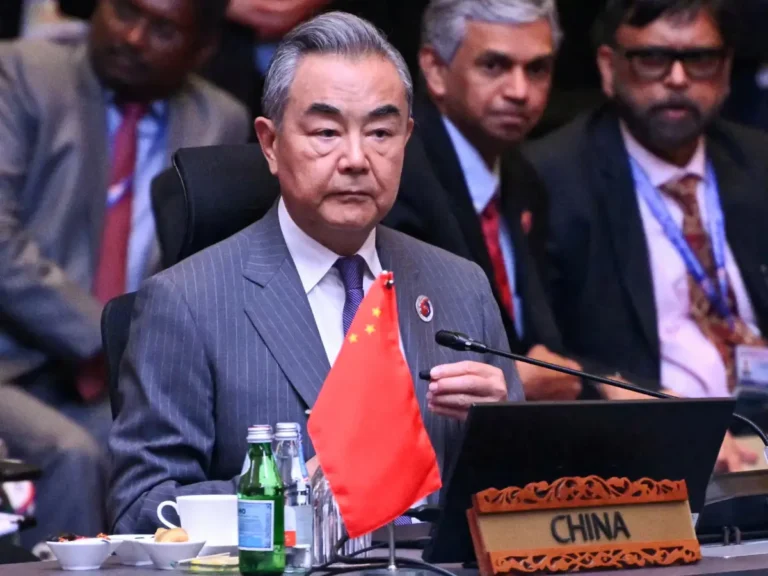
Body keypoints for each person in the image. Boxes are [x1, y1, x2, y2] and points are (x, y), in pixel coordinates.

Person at [108, 11, 521, 533]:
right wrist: (286, 495)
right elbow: (139, 508)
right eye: (327, 131)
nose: (356, 158)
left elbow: (521, 501)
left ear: (406, 139)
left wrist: (503, 432)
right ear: (271, 144)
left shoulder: (461, 286)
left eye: (380, 132)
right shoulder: (186, 301)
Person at [0, 0, 249, 546]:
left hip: (130, 380)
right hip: (14, 364)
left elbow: (210, 272)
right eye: (124, 11)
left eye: (162, 29)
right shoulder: (24, 74)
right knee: (73, 455)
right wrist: (112, 339)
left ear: (203, 49)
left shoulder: (219, 120)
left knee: (188, 458)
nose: (133, 37)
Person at [526, 0, 768, 469]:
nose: (677, 79)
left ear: (725, 69)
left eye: (699, 59)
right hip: (647, 454)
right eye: (653, 58)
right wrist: (669, 422)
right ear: (608, 66)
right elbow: (543, 357)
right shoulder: (552, 181)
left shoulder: (757, 163)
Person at [384, 0, 586, 401]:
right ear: (435, 69)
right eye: (494, 66)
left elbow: (542, 349)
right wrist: (514, 382)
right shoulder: (398, 176)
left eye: (537, 69)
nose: (519, 91)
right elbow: (397, 353)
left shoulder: (523, 177)